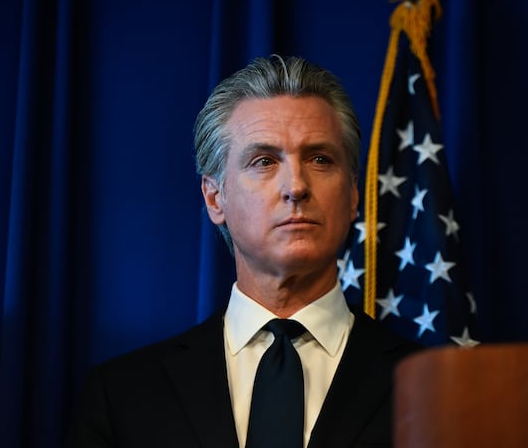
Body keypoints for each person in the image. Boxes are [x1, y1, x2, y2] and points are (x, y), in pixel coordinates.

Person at [66, 55, 421, 447]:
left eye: (320, 159)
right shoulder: (122, 396)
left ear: (353, 194)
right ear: (215, 198)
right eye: (264, 161)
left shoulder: (427, 387)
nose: (296, 186)